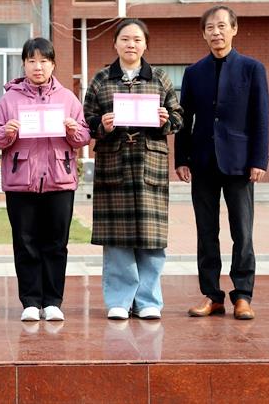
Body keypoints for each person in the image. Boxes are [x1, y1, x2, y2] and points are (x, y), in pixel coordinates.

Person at [174, 5, 269, 320]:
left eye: (221, 26)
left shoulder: (252, 69)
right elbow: (184, 119)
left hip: (240, 163)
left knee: (242, 231)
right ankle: (212, 295)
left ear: (234, 29)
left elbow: (261, 117)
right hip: (202, 161)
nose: (216, 32)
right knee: (206, 231)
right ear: (203, 34)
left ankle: (243, 295)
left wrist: (259, 159)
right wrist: (181, 158)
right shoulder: (193, 72)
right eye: (210, 28)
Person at [83, 19, 183, 320]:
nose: (131, 44)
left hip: (150, 165)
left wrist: (166, 120)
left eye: (137, 39)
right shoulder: (101, 79)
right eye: (125, 39)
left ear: (145, 44)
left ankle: (148, 300)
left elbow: (179, 117)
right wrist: (102, 125)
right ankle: (119, 299)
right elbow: (86, 119)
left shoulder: (160, 78)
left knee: (152, 237)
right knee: (117, 239)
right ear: (115, 43)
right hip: (114, 165)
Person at [0, 37, 90, 322]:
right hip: (21, 180)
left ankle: (53, 301)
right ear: (23, 64)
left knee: (56, 243)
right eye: (31, 61)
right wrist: (7, 132)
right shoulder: (10, 99)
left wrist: (72, 130)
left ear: (53, 64)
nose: (38, 66)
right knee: (25, 243)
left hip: (59, 179)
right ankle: (31, 301)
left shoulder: (67, 98)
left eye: (44, 61)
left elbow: (84, 136)